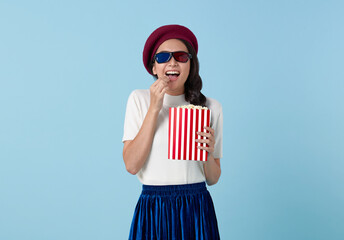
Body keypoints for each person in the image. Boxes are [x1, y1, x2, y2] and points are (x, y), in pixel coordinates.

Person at [122, 24, 223, 240]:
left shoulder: (210, 107)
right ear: (154, 68)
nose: (172, 62)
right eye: (163, 57)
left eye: (180, 56)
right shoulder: (139, 100)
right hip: (153, 206)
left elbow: (213, 178)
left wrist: (206, 153)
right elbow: (131, 165)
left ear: (190, 64)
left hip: (196, 206)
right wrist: (154, 107)